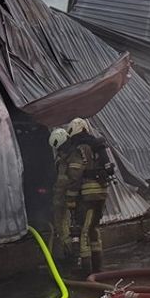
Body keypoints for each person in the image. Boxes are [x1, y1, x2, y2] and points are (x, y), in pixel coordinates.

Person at [64, 117, 112, 276]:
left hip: (87, 194)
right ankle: (98, 267)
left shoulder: (79, 148)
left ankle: (86, 271)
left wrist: (70, 199)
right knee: (93, 229)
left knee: (83, 231)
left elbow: (75, 176)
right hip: (102, 191)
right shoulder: (96, 144)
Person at [48, 127, 75, 260]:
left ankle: (70, 254)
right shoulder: (63, 161)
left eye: (60, 149)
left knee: (63, 225)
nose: (59, 152)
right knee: (64, 225)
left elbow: (63, 183)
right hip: (68, 199)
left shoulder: (70, 160)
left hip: (69, 198)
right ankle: (69, 252)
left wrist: (57, 201)